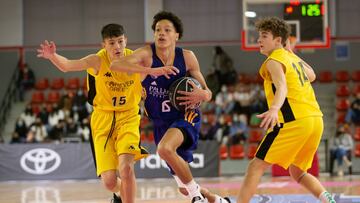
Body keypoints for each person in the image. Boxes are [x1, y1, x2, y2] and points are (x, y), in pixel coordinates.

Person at [37, 23, 172, 203]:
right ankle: (118, 194)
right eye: (111, 43)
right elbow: (68, 66)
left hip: (128, 117)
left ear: (126, 41)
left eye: (120, 41)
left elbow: (156, 74)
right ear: (104, 45)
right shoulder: (97, 61)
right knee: (109, 182)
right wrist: (52, 56)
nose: (117, 47)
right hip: (102, 120)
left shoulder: (137, 59)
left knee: (126, 169)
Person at [111, 11, 230, 203]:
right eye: (158, 29)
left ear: (177, 35)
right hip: (161, 122)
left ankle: (197, 198)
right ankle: (215, 200)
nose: (161, 33)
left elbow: (208, 92)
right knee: (184, 186)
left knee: (164, 149)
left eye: (167, 30)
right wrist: (150, 71)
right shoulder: (146, 55)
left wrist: (204, 94)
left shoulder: (187, 57)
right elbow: (115, 65)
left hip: (185, 115)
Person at [236, 17, 336, 203]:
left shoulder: (273, 61)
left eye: (264, 36)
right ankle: (327, 199)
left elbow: (282, 87)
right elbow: (312, 75)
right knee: (297, 171)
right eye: (259, 36)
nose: (259, 40)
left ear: (278, 40)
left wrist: (274, 108)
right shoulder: (291, 58)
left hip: (294, 121)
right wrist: (291, 51)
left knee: (255, 166)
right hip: (315, 121)